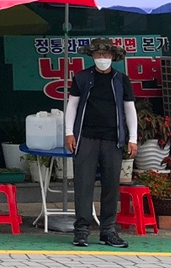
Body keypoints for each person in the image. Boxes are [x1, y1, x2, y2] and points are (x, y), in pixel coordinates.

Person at [64, 38, 138, 249]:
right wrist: (70, 133)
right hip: (85, 137)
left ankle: (108, 231)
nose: (102, 59)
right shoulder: (82, 77)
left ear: (113, 57)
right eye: (98, 55)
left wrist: (132, 138)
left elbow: (129, 109)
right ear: (92, 57)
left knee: (111, 185)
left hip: (113, 139)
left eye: (106, 55)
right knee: (83, 184)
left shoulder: (121, 80)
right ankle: (81, 231)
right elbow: (72, 106)